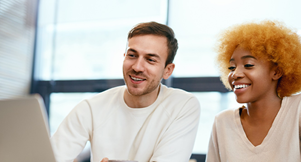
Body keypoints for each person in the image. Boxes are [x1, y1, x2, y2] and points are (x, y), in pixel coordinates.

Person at [51, 21, 201, 162]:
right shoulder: (91, 108)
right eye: (132, 55)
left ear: (167, 70)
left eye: (150, 60)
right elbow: (49, 158)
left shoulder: (183, 105)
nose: (137, 67)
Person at [207, 20, 301, 161]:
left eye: (248, 65)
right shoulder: (222, 121)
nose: (235, 74)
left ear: (276, 72)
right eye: (232, 67)